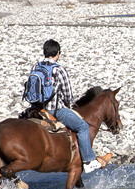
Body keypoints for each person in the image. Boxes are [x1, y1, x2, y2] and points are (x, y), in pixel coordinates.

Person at [32, 39, 111, 173]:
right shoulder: (59, 69)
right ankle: (89, 161)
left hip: (37, 108)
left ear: (44, 52)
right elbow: (67, 93)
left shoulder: (36, 66)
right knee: (83, 126)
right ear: (58, 54)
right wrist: (68, 105)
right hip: (55, 109)